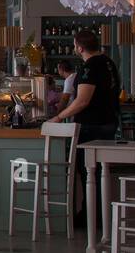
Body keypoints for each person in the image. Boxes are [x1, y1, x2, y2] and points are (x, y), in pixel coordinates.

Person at [48, 28, 121, 228]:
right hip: (108, 122)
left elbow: (82, 101)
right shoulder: (109, 63)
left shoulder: (90, 67)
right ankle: (97, 214)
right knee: (100, 172)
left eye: (74, 45)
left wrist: (58, 117)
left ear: (79, 47)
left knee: (88, 172)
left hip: (92, 125)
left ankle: (91, 217)